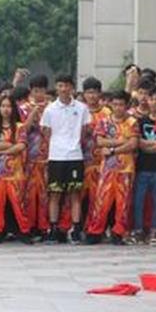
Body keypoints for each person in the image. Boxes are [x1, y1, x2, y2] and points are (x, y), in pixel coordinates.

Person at [40, 74, 90, 244]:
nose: (63, 89)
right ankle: (53, 228)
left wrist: (73, 143)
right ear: (56, 87)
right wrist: (58, 144)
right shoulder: (50, 109)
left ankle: (76, 228)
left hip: (75, 155)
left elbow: (84, 131)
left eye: (66, 86)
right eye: (60, 85)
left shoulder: (82, 108)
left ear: (72, 88)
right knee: (55, 193)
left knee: (75, 194)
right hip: (56, 156)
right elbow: (46, 132)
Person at [86, 91, 139, 244]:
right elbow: (100, 142)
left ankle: (118, 233)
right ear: (111, 105)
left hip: (126, 169)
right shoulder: (104, 121)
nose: (118, 108)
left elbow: (133, 144)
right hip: (107, 168)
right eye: (115, 104)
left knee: (123, 203)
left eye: (121, 104)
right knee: (101, 201)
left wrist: (113, 150)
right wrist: (121, 140)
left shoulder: (132, 122)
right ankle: (95, 232)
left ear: (126, 106)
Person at [130, 87, 156, 245]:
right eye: (151, 99)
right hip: (142, 167)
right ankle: (138, 231)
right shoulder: (141, 121)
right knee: (139, 201)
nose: (153, 102)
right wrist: (155, 144)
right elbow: (137, 143)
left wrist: (150, 145)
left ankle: (155, 231)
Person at [0, 96, 31, 243]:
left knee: (19, 202)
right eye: (3, 106)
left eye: (9, 106)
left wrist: (4, 148)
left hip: (16, 172)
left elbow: (22, 146)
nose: (6, 109)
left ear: (13, 109)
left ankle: (24, 231)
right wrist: (11, 145)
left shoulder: (20, 127)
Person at [20, 75, 50, 240]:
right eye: (36, 90)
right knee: (29, 194)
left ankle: (44, 226)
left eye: (42, 90)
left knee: (45, 193)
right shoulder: (24, 108)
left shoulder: (52, 108)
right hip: (29, 157)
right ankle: (30, 226)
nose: (39, 94)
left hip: (47, 156)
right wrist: (33, 113)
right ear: (31, 91)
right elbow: (22, 129)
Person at [81, 77, 110, 236]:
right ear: (84, 94)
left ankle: (95, 229)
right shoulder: (78, 110)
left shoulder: (107, 113)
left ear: (100, 94)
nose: (92, 96)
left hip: (101, 163)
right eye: (89, 92)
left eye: (95, 92)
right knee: (78, 197)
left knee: (98, 198)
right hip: (81, 161)